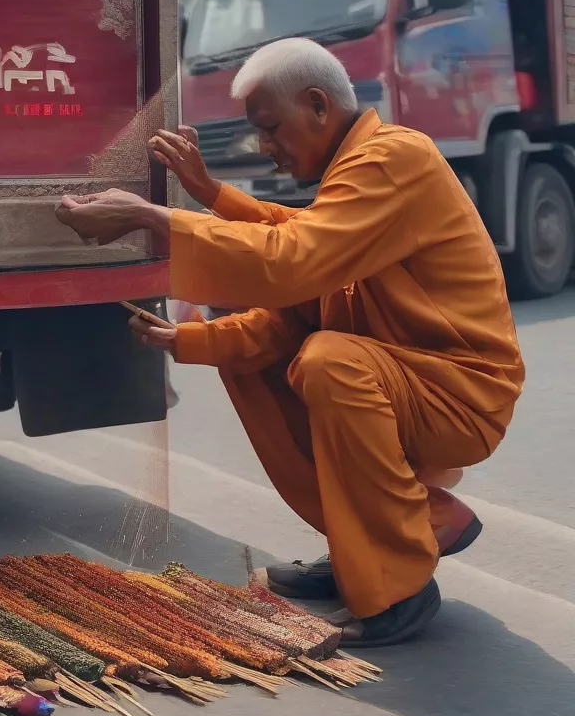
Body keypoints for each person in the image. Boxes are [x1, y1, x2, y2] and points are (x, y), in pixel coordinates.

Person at [55, 37, 524, 647]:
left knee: (331, 363)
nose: (265, 147)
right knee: (258, 356)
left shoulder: (392, 158)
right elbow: (294, 290)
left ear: (319, 106)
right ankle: (372, 544)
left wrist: (153, 217)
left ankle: (399, 585)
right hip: (407, 379)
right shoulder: (353, 177)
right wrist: (192, 336)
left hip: (459, 394)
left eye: (271, 129)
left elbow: (293, 260)